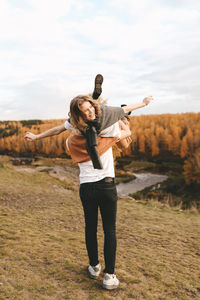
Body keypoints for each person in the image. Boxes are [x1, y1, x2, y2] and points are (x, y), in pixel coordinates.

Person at [25, 78, 153, 290]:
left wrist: (37, 136)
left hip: (86, 187)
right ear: (89, 110)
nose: (90, 112)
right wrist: (138, 108)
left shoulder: (73, 136)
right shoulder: (109, 129)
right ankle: (109, 276)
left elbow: (58, 129)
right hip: (106, 185)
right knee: (109, 229)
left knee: (90, 228)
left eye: (89, 108)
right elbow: (125, 127)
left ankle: (94, 267)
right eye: (87, 109)